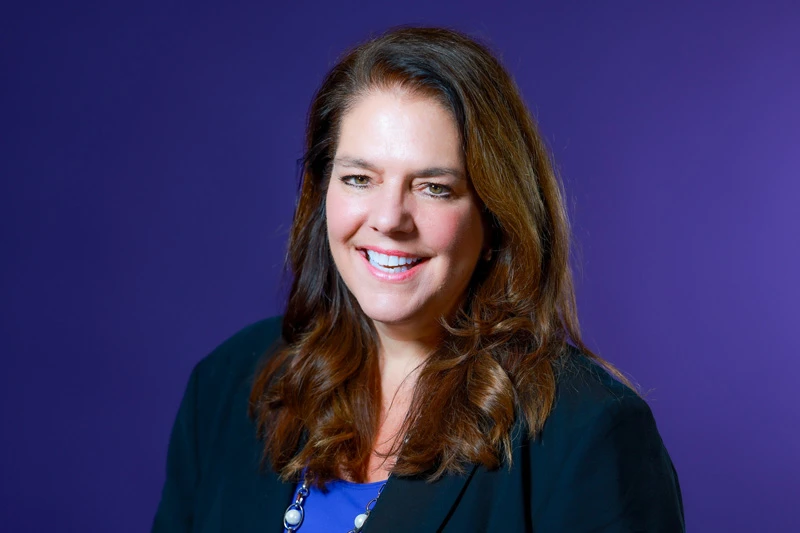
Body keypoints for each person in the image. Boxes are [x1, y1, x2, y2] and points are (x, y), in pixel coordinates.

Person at [152, 27, 685, 532]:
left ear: (495, 215)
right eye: (359, 178)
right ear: (321, 194)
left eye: (433, 187)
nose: (389, 219)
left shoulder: (587, 431)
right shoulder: (226, 387)